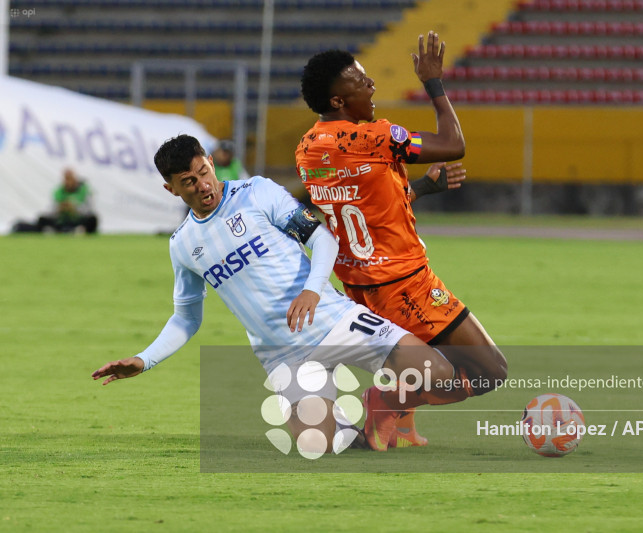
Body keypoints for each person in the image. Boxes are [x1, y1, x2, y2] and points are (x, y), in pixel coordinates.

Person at [91, 134, 473, 454]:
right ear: (171, 188)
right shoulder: (183, 244)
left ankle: (381, 402)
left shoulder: (257, 192)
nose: (202, 185)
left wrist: (311, 291)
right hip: (283, 354)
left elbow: (322, 238)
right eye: (188, 181)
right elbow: (186, 319)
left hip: (334, 320)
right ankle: (352, 431)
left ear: (210, 163)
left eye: (203, 172)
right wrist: (144, 359)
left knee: (438, 375)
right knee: (319, 445)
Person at [296, 31, 507, 449]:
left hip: (359, 289)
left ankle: (398, 423)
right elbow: (453, 144)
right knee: (489, 373)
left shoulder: (307, 149)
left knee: (421, 360)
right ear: (338, 100)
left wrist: (421, 189)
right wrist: (433, 83)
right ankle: (388, 401)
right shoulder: (374, 137)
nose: (371, 85)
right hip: (404, 284)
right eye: (361, 81)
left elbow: (364, 208)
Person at [12, 168, 98, 234]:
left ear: (75, 179)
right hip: (62, 220)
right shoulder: (59, 191)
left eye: (70, 179)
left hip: (77, 220)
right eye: (66, 179)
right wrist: (60, 208)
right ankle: (57, 230)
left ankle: (78, 229)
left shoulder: (84, 190)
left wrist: (74, 209)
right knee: (42, 219)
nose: (68, 182)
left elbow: (89, 210)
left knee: (93, 219)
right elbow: (51, 210)